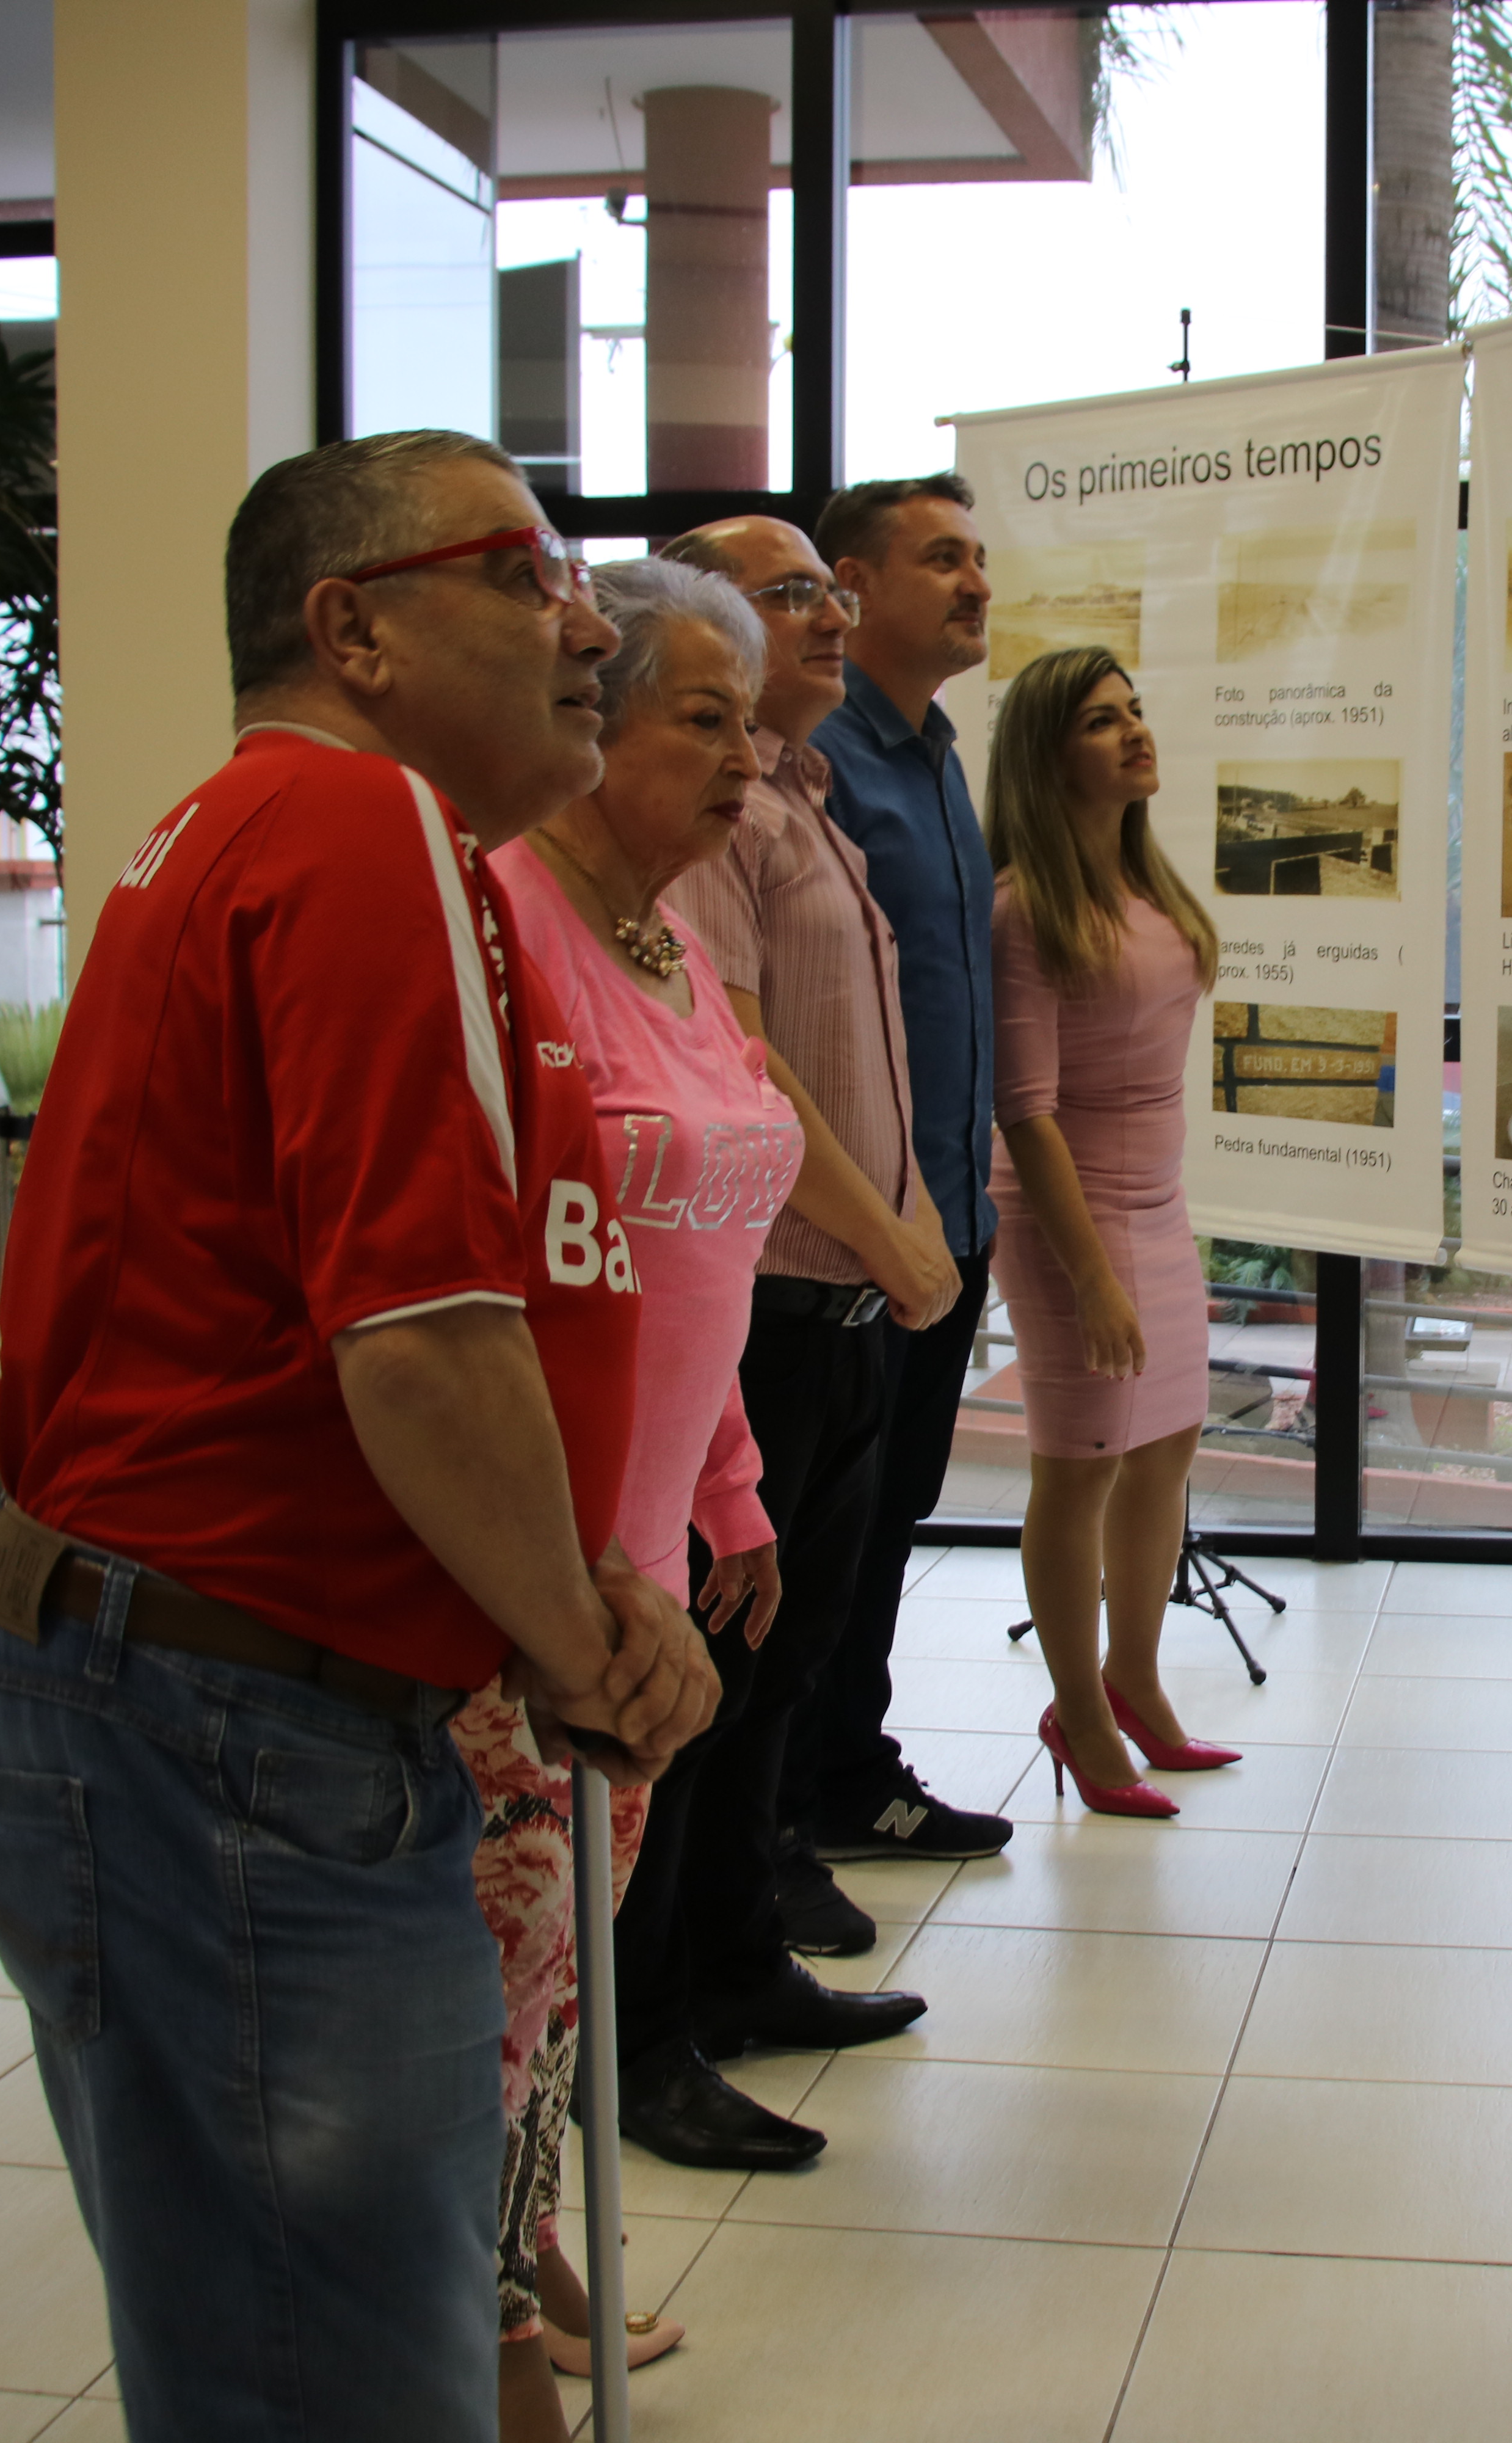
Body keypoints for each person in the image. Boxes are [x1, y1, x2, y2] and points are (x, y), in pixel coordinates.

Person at [0, 429, 720, 2441]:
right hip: (236, 1730)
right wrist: (584, 1643)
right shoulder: (361, 831)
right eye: (525, 571)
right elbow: (420, 1334)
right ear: (350, 626)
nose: (586, 624)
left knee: (270, 2355)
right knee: (337, 2383)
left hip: (172, 1695)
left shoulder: (246, 833)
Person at [456, 558, 800, 2441]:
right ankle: (497, 2341)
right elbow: (484, 1289)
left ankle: (527, 2264)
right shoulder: (499, 925)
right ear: (592, 727)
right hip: (527, 1584)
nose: (752, 757)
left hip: (649, 1571)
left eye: (752, 721)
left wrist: (730, 1489)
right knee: (503, 1993)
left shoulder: (674, 945)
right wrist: (577, 1568)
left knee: (566, 1970)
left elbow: (706, 1239)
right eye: (707, 716)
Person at [598, 516, 945, 2178]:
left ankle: (731, 1961)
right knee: (704, 1697)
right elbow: (748, 1083)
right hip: (774, 1305)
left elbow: (854, 1051)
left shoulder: (801, 798)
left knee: (772, 1677)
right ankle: (651, 2023)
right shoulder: (641, 877)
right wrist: (880, 1234)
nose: (829, 615)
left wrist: (911, 1220)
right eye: (788, 597)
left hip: (819, 1311)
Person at [790, 473, 1019, 1866]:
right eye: (944, 558)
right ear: (852, 585)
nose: (977, 583)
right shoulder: (817, 760)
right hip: (853, 1232)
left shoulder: (935, 754)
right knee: (830, 1539)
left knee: (888, 1522)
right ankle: (792, 1804)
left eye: (980, 558)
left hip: (948, 1216)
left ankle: (845, 1769)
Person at [986, 646, 1238, 1817]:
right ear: (1049, 757)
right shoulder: (1025, 907)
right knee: (1078, 1470)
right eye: (1102, 721)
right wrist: (1091, 1277)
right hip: (1064, 1215)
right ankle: (1079, 1715)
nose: (1136, 732)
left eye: (1137, 710)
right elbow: (1024, 1110)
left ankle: (1137, 1678)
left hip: (1160, 1202)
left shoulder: (1149, 888)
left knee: (1168, 1446)